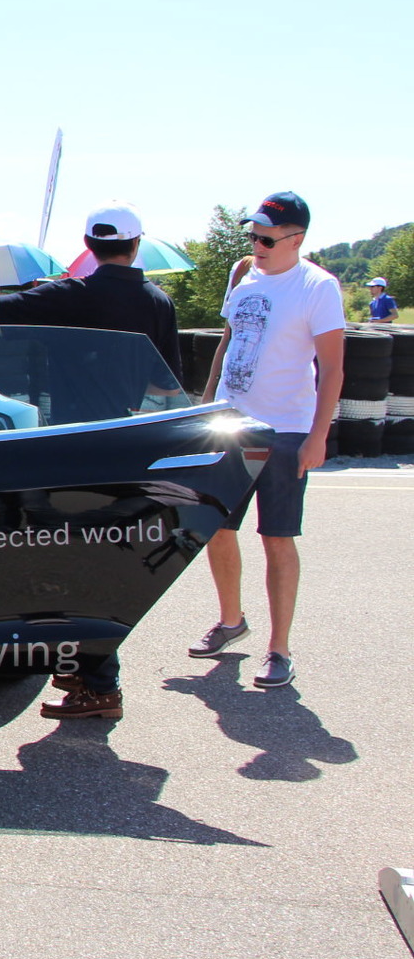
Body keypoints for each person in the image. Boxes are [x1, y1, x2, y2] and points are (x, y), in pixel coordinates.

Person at [0, 200, 183, 720]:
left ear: (90, 247)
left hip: (67, 446)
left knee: (64, 558)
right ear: (136, 245)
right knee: (99, 558)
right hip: (125, 443)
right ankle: (80, 669)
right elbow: (166, 384)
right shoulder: (158, 302)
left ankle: (99, 685)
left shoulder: (70, 293)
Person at [190, 191, 345, 690]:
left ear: (295, 239)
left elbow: (334, 369)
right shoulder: (242, 275)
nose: (256, 244)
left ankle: (280, 649)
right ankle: (231, 621)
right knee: (217, 526)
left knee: (277, 538)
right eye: (253, 234)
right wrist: (206, 406)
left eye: (267, 237)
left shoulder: (317, 286)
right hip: (231, 424)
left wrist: (318, 436)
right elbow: (227, 343)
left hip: (287, 429)